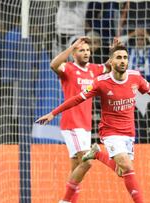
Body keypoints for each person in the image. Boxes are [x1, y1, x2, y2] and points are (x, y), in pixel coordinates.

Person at [36, 42, 150, 203]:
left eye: (125, 58)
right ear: (111, 61)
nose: (123, 61)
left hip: (128, 133)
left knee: (122, 171)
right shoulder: (100, 82)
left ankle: (96, 154)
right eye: (119, 58)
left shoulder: (135, 77)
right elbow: (76, 99)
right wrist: (53, 113)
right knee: (124, 166)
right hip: (109, 132)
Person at [50, 36, 109, 203]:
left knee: (77, 168)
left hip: (85, 126)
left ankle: (71, 201)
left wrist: (114, 50)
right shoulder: (68, 68)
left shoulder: (93, 69)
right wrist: (70, 47)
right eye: (81, 50)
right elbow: (53, 64)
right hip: (71, 124)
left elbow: (109, 66)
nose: (86, 53)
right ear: (74, 53)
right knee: (87, 162)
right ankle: (65, 201)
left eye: (88, 50)